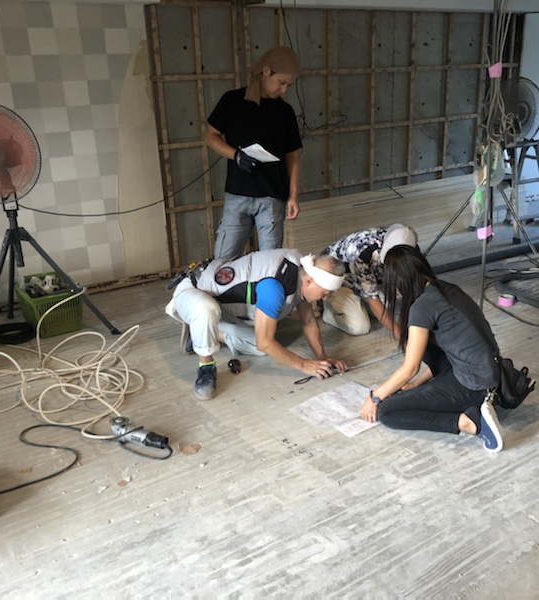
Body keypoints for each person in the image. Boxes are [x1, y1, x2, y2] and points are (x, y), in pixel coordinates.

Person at [359, 244, 504, 452]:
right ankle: (469, 402)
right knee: (421, 343)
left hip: (473, 385)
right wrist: (416, 385)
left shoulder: (422, 307)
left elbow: (410, 367)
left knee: (387, 412)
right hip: (487, 371)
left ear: (397, 281)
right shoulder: (446, 288)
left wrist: (374, 397)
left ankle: (469, 422)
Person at [166, 249, 348, 400]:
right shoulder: (274, 287)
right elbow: (265, 342)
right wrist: (303, 365)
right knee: (207, 310)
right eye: (325, 293)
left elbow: (308, 321)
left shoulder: (303, 272)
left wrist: (322, 356)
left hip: (221, 306)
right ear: (309, 282)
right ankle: (205, 365)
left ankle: (201, 331)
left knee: (259, 348)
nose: (325, 298)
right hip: (192, 292)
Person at [205, 46, 303, 260]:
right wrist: (236, 155)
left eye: (288, 85)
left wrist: (293, 195)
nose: (284, 90)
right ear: (266, 71)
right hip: (237, 195)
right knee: (222, 261)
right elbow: (211, 136)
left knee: (270, 263)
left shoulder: (284, 112)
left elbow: (293, 156)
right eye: (282, 82)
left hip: (272, 198)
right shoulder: (232, 102)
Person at [320, 223, 418, 340]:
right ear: (383, 243)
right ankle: (329, 312)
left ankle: (361, 305)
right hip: (341, 282)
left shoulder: (410, 248)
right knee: (360, 326)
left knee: (389, 302)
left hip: (368, 280)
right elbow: (373, 299)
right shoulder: (362, 252)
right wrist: (402, 337)